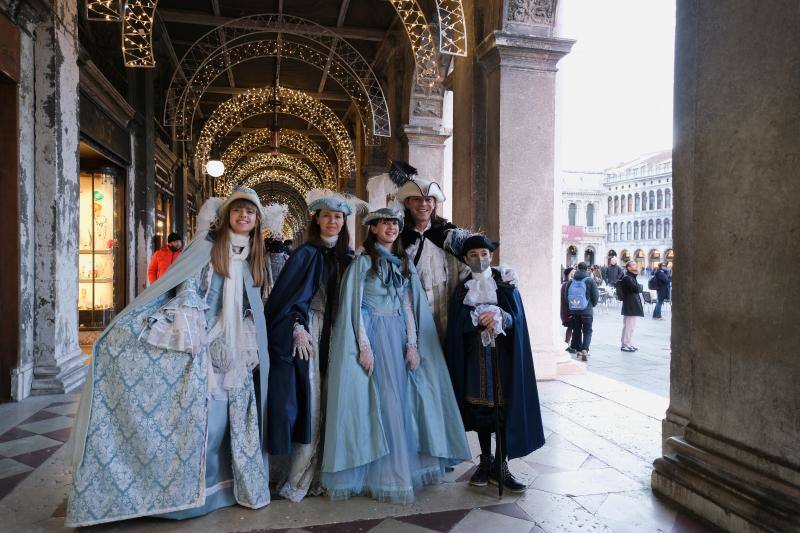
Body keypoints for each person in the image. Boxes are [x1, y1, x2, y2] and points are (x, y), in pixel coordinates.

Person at [66, 188, 271, 527]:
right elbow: (186, 285)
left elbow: (255, 300)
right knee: (201, 420)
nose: (244, 216)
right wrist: (190, 325)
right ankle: (184, 495)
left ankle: (219, 487)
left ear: (257, 220)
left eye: (251, 212)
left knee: (225, 420)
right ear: (227, 214)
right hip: (200, 340)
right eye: (239, 210)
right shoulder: (206, 247)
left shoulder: (252, 256)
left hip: (235, 346)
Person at [322, 208, 470, 503]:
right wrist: (364, 346)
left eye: (394, 223)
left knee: (403, 401)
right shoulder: (362, 264)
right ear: (373, 228)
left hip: (399, 336)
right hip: (375, 336)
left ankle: (403, 466)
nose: (391, 227)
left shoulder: (404, 263)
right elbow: (355, 309)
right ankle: (383, 472)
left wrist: (413, 345)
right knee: (381, 401)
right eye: (384, 223)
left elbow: (408, 306)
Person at [264, 191, 363, 502]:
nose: (332, 221)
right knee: (312, 401)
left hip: (341, 334)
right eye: (327, 216)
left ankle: (328, 474)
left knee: (337, 402)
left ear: (344, 221)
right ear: (316, 219)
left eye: (338, 217)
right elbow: (285, 298)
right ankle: (298, 477)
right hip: (312, 331)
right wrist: (296, 326)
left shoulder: (350, 259)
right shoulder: (304, 254)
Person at [445, 234, 545, 493]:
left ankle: (501, 464)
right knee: (481, 412)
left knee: (502, 410)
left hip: (503, 360)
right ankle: (486, 461)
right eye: (473, 255)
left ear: (491, 256)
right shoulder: (462, 289)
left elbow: (518, 320)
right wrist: (474, 320)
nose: (480, 259)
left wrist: (501, 316)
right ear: (466, 259)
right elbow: (455, 325)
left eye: (484, 254)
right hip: (474, 360)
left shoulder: (507, 285)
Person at [392, 162, 472, 339]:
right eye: (417, 199)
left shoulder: (448, 234)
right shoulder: (398, 236)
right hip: (409, 312)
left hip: (445, 313)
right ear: (408, 203)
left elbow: (468, 269)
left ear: (434, 204)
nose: (423, 204)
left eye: (428, 199)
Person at [566, 262, 599, 361]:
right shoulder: (590, 280)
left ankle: (578, 350)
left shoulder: (571, 281)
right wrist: (591, 305)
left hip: (575, 311)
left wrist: (572, 306)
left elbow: (566, 296)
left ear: (577, 268)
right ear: (586, 269)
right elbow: (595, 296)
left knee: (577, 330)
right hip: (587, 311)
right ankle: (585, 350)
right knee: (587, 331)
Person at [619, 261, 644, 351]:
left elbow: (636, 288)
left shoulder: (631, 277)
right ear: (628, 268)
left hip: (632, 304)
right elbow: (637, 289)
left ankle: (628, 343)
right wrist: (640, 286)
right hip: (630, 304)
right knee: (629, 325)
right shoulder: (627, 278)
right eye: (633, 265)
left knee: (631, 326)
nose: (636, 266)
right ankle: (625, 344)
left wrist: (639, 286)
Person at [560, 267, 576, 353]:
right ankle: (567, 344)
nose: (574, 273)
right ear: (570, 273)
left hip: (566, 309)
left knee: (571, 327)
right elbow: (568, 297)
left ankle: (567, 344)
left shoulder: (566, 282)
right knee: (571, 326)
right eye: (573, 272)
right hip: (568, 309)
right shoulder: (567, 283)